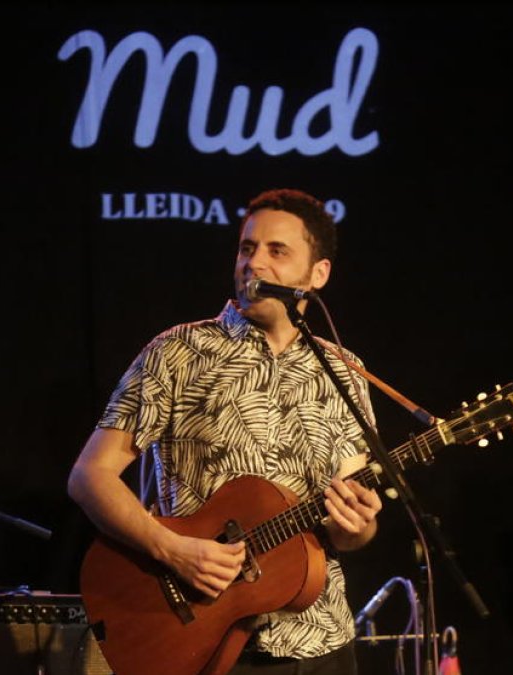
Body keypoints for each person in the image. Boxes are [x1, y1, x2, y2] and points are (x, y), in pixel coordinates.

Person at [68, 188, 382, 674]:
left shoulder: (345, 370)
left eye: (277, 251)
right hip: (202, 638)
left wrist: (356, 526)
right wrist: (173, 550)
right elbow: (90, 476)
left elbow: (349, 530)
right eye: (247, 248)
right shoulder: (178, 352)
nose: (254, 262)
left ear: (317, 274)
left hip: (320, 641)